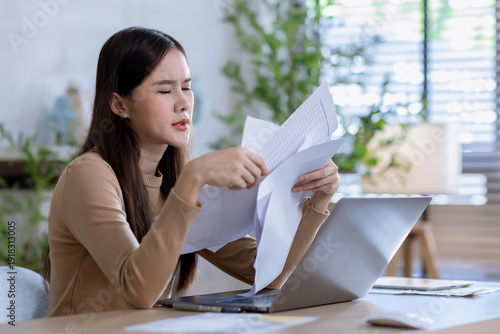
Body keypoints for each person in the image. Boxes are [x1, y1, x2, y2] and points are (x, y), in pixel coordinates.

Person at [44, 26, 340, 317]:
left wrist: (318, 199)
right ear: (120, 105)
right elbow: (138, 290)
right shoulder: (88, 175)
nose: (184, 103)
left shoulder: (174, 178)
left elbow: (269, 275)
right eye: (164, 89)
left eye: (186, 87)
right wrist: (192, 179)